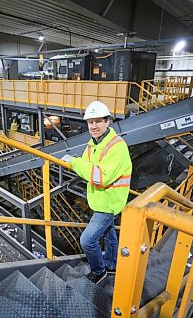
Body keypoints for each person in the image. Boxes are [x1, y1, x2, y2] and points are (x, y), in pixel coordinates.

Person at [61, 101, 132, 284]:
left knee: (87, 241)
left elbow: (99, 177)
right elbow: (87, 165)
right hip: (99, 199)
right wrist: (81, 164)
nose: (93, 126)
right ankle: (112, 265)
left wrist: (76, 163)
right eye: (90, 122)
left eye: (98, 121)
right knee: (109, 235)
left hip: (108, 202)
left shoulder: (117, 146)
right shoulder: (93, 143)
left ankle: (99, 271)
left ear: (108, 122)